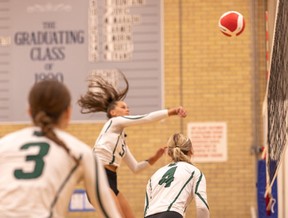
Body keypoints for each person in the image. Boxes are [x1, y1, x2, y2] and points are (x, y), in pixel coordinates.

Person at [0, 79, 121, 218]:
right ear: (68, 113)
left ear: (29, 111)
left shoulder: (4, 144)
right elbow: (110, 214)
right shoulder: (80, 152)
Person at [77, 71, 187, 218]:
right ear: (113, 112)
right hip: (98, 177)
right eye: (123, 107)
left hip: (111, 180)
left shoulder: (121, 142)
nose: (127, 109)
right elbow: (147, 118)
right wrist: (172, 111)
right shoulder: (113, 123)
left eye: (127, 107)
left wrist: (154, 157)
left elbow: (135, 168)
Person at [144, 133, 210, 218]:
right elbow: (202, 207)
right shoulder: (194, 172)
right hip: (172, 214)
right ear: (191, 151)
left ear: (169, 153)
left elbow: (146, 209)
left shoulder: (155, 175)